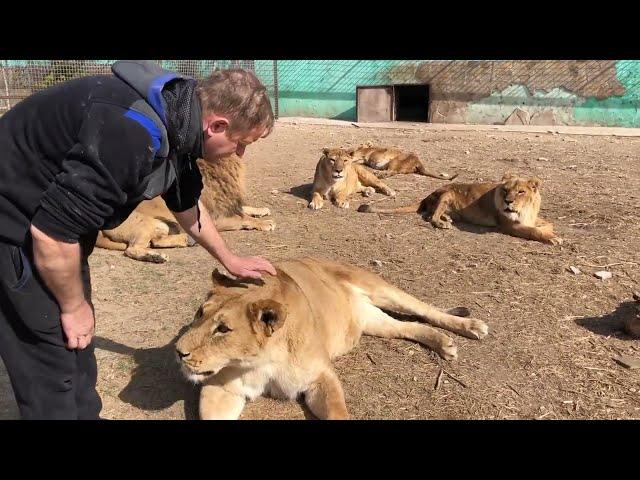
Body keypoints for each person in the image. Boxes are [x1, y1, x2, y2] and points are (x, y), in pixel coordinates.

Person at [0, 60, 277, 419]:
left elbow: (186, 203)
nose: (240, 154)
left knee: (77, 344)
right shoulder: (132, 131)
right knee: (49, 359)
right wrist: (72, 306)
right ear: (217, 126)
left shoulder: (179, 119)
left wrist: (230, 259)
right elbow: (51, 237)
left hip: (54, 230)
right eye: (241, 144)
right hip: (16, 230)